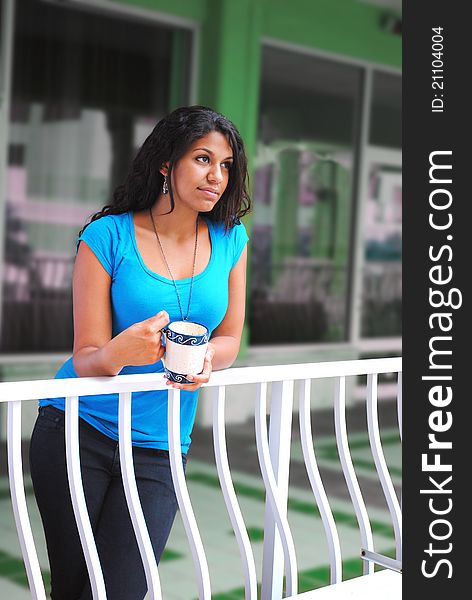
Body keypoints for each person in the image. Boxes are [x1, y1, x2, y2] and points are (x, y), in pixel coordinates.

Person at [29, 105, 251, 600]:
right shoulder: (107, 236)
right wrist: (120, 352)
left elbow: (231, 337)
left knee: (123, 589)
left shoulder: (231, 239)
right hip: (76, 431)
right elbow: (86, 358)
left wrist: (209, 357)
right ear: (166, 163)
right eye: (202, 159)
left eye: (226, 165)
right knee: (76, 587)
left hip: (160, 445)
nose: (217, 175)